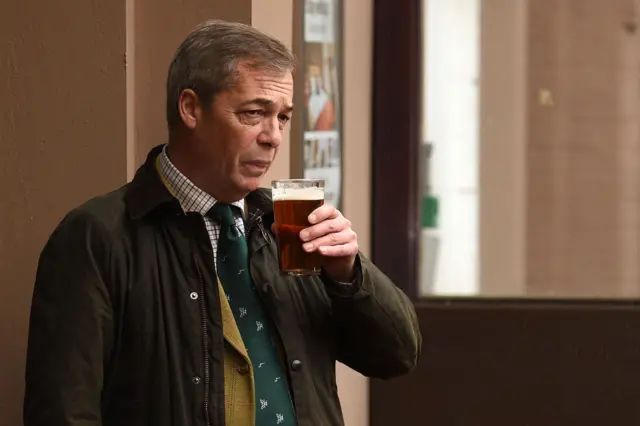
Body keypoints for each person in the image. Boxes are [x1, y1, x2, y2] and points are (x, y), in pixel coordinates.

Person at [23, 19, 421, 426]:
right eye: (254, 113)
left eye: (282, 118)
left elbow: (397, 356)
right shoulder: (98, 236)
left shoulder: (288, 226)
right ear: (191, 108)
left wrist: (348, 275)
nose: (274, 137)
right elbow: (62, 410)